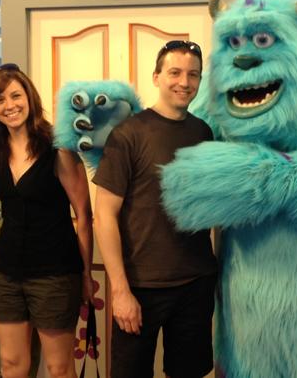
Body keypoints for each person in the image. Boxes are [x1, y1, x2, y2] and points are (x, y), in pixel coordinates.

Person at [92, 40, 218, 378]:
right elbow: (104, 216)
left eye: (193, 74)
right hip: (140, 287)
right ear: (156, 77)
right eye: (175, 72)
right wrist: (120, 291)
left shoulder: (203, 132)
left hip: (195, 282)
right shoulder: (129, 134)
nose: (184, 82)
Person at [0, 63, 94, 378]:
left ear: (29, 96)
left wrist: (85, 275)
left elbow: (84, 214)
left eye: (16, 95)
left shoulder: (58, 147)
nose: (10, 105)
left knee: (58, 368)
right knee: (12, 365)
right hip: (6, 274)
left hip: (55, 275)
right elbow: (9, 191)